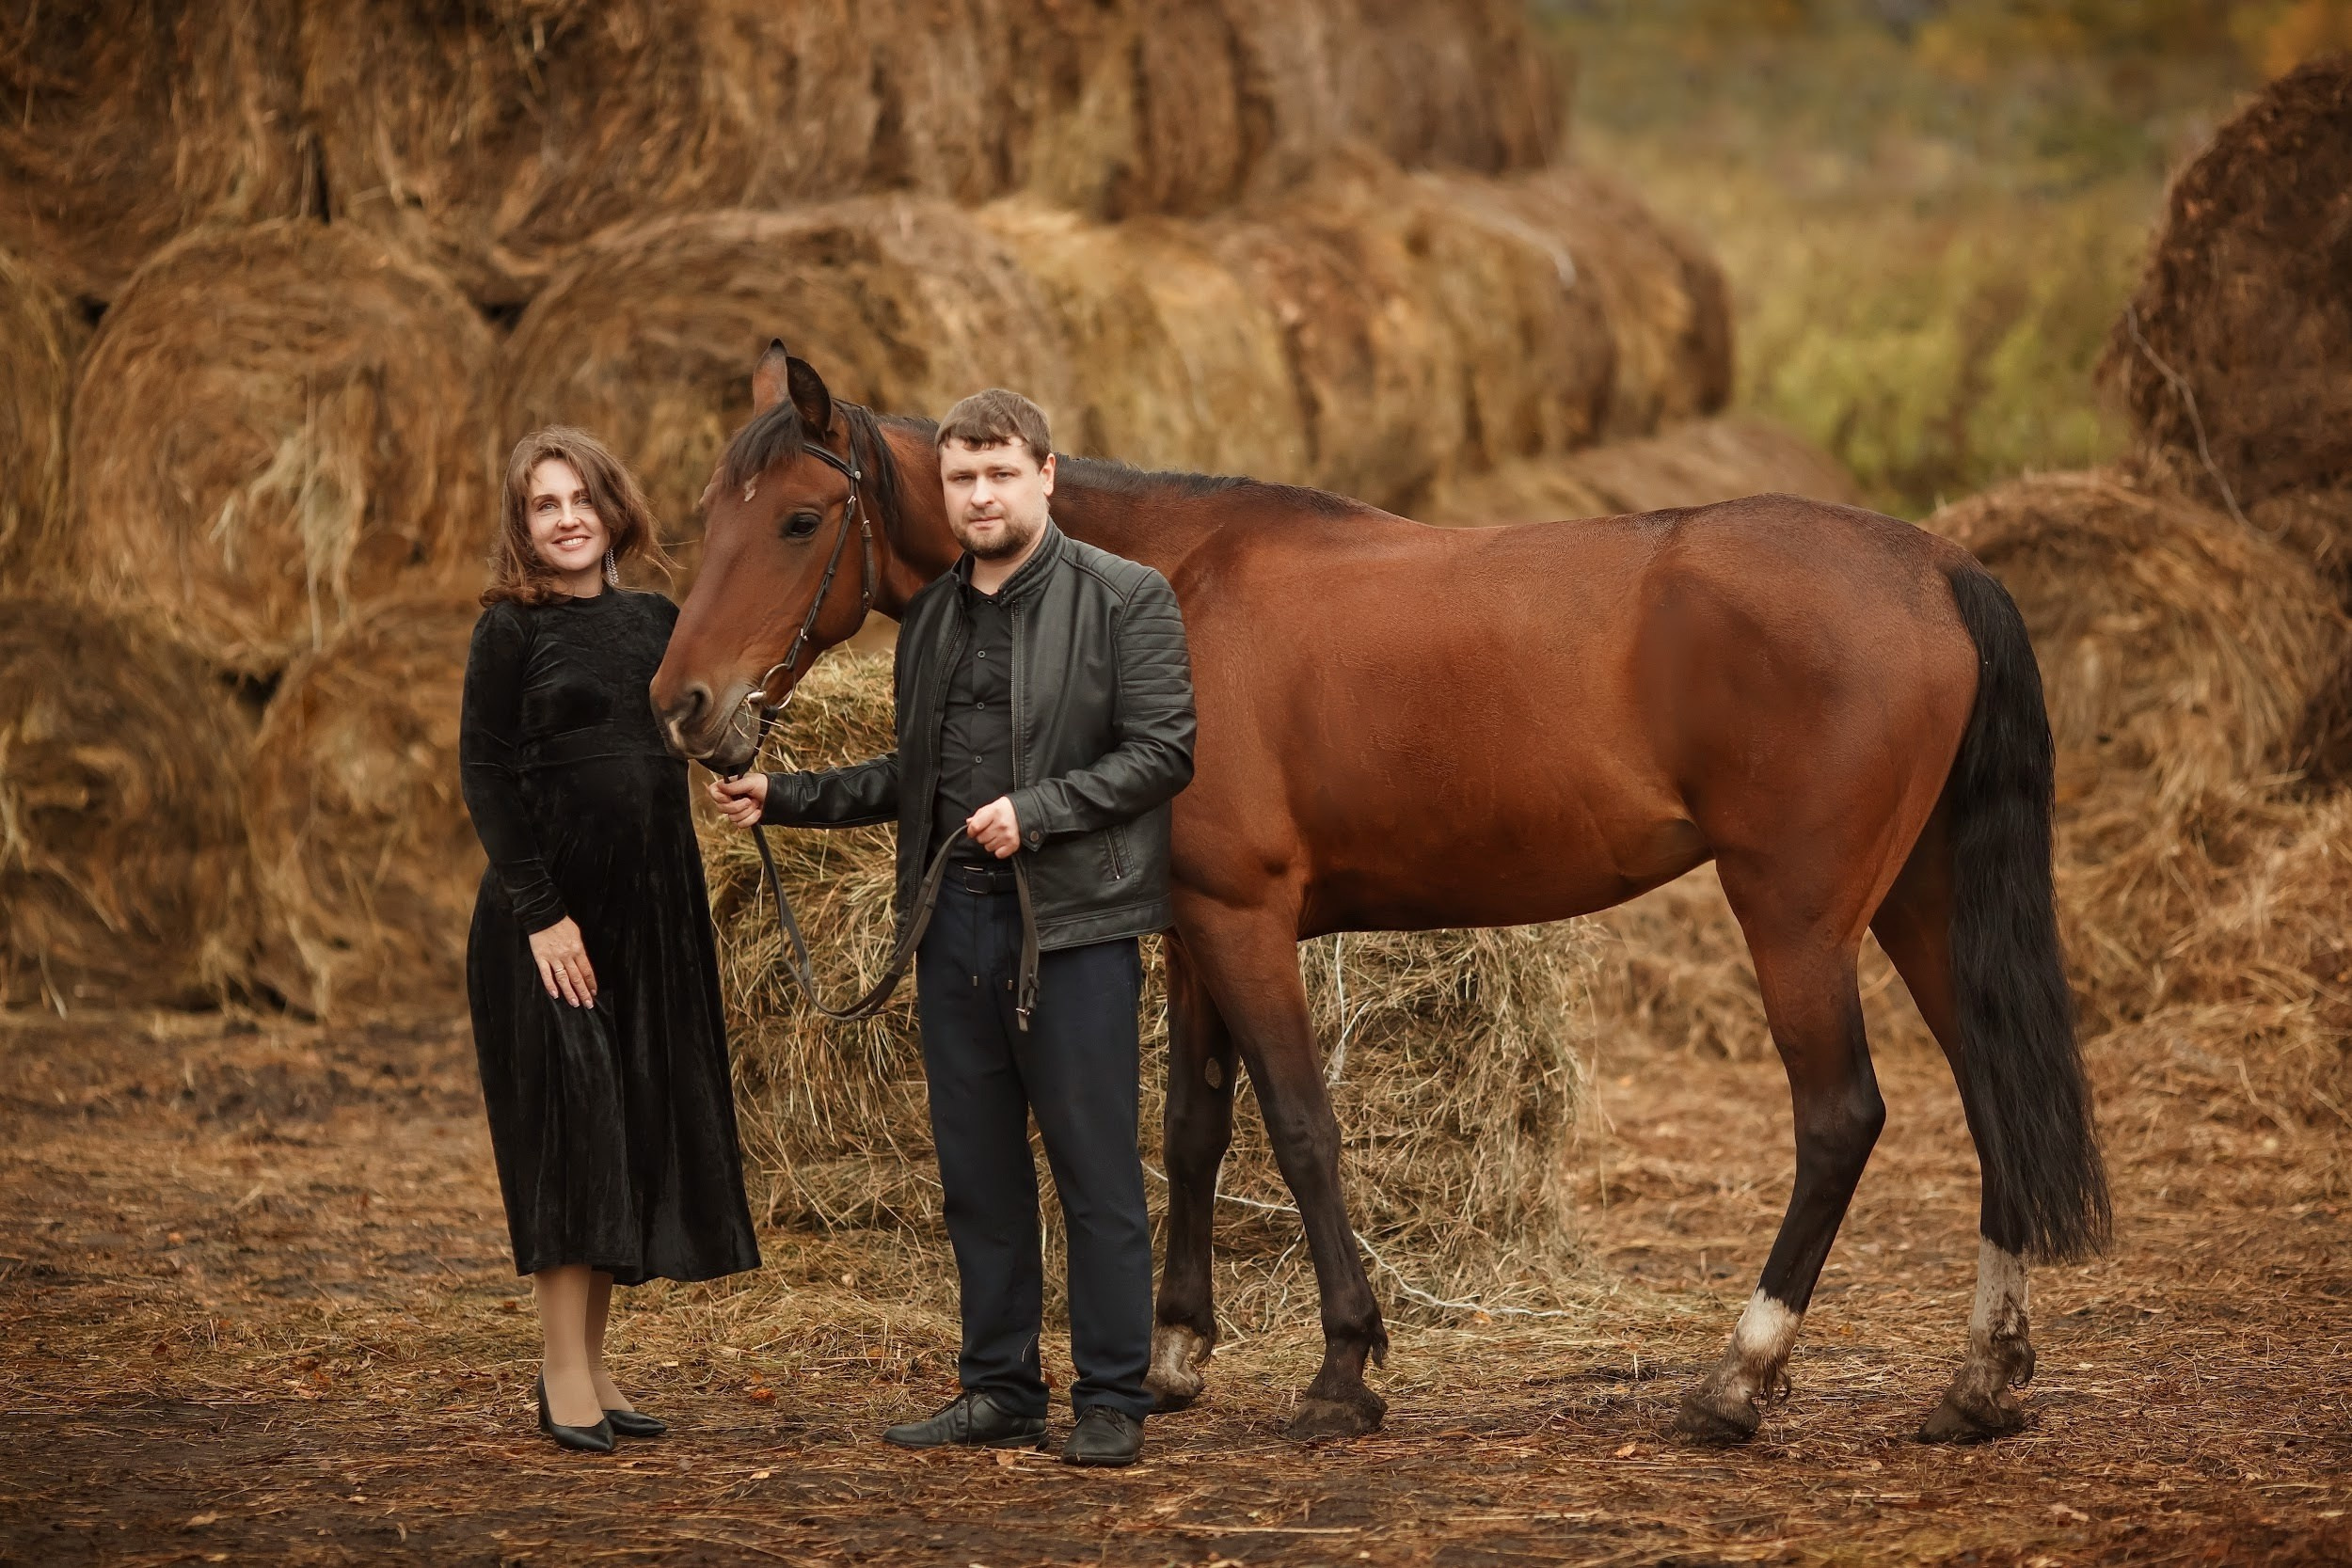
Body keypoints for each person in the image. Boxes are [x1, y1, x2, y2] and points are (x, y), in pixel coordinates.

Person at [707, 389, 1195, 1467]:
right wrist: (781, 796)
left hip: (1067, 931)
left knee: (1095, 1172)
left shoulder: (1126, 598)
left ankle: (1110, 1395)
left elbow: (1164, 752)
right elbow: (911, 775)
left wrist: (1040, 810)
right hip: (949, 925)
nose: (981, 495)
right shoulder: (928, 618)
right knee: (977, 1172)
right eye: (963, 479)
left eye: (1000, 474)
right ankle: (998, 1385)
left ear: (1045, 476)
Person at [460, 427, 760, 1454]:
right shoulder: (509, 633)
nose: (567, 516)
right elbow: (486, 778)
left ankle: (594, 1368)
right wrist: (540, 911)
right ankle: (558, 1375)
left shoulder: (657, 622)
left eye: (581, 496)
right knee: (570, 1138)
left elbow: (703, 720)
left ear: (614, 506)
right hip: (551, 923)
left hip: (653, 916)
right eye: (545, 504)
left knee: (624, 1132)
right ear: (524, 527)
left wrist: (742, 764)